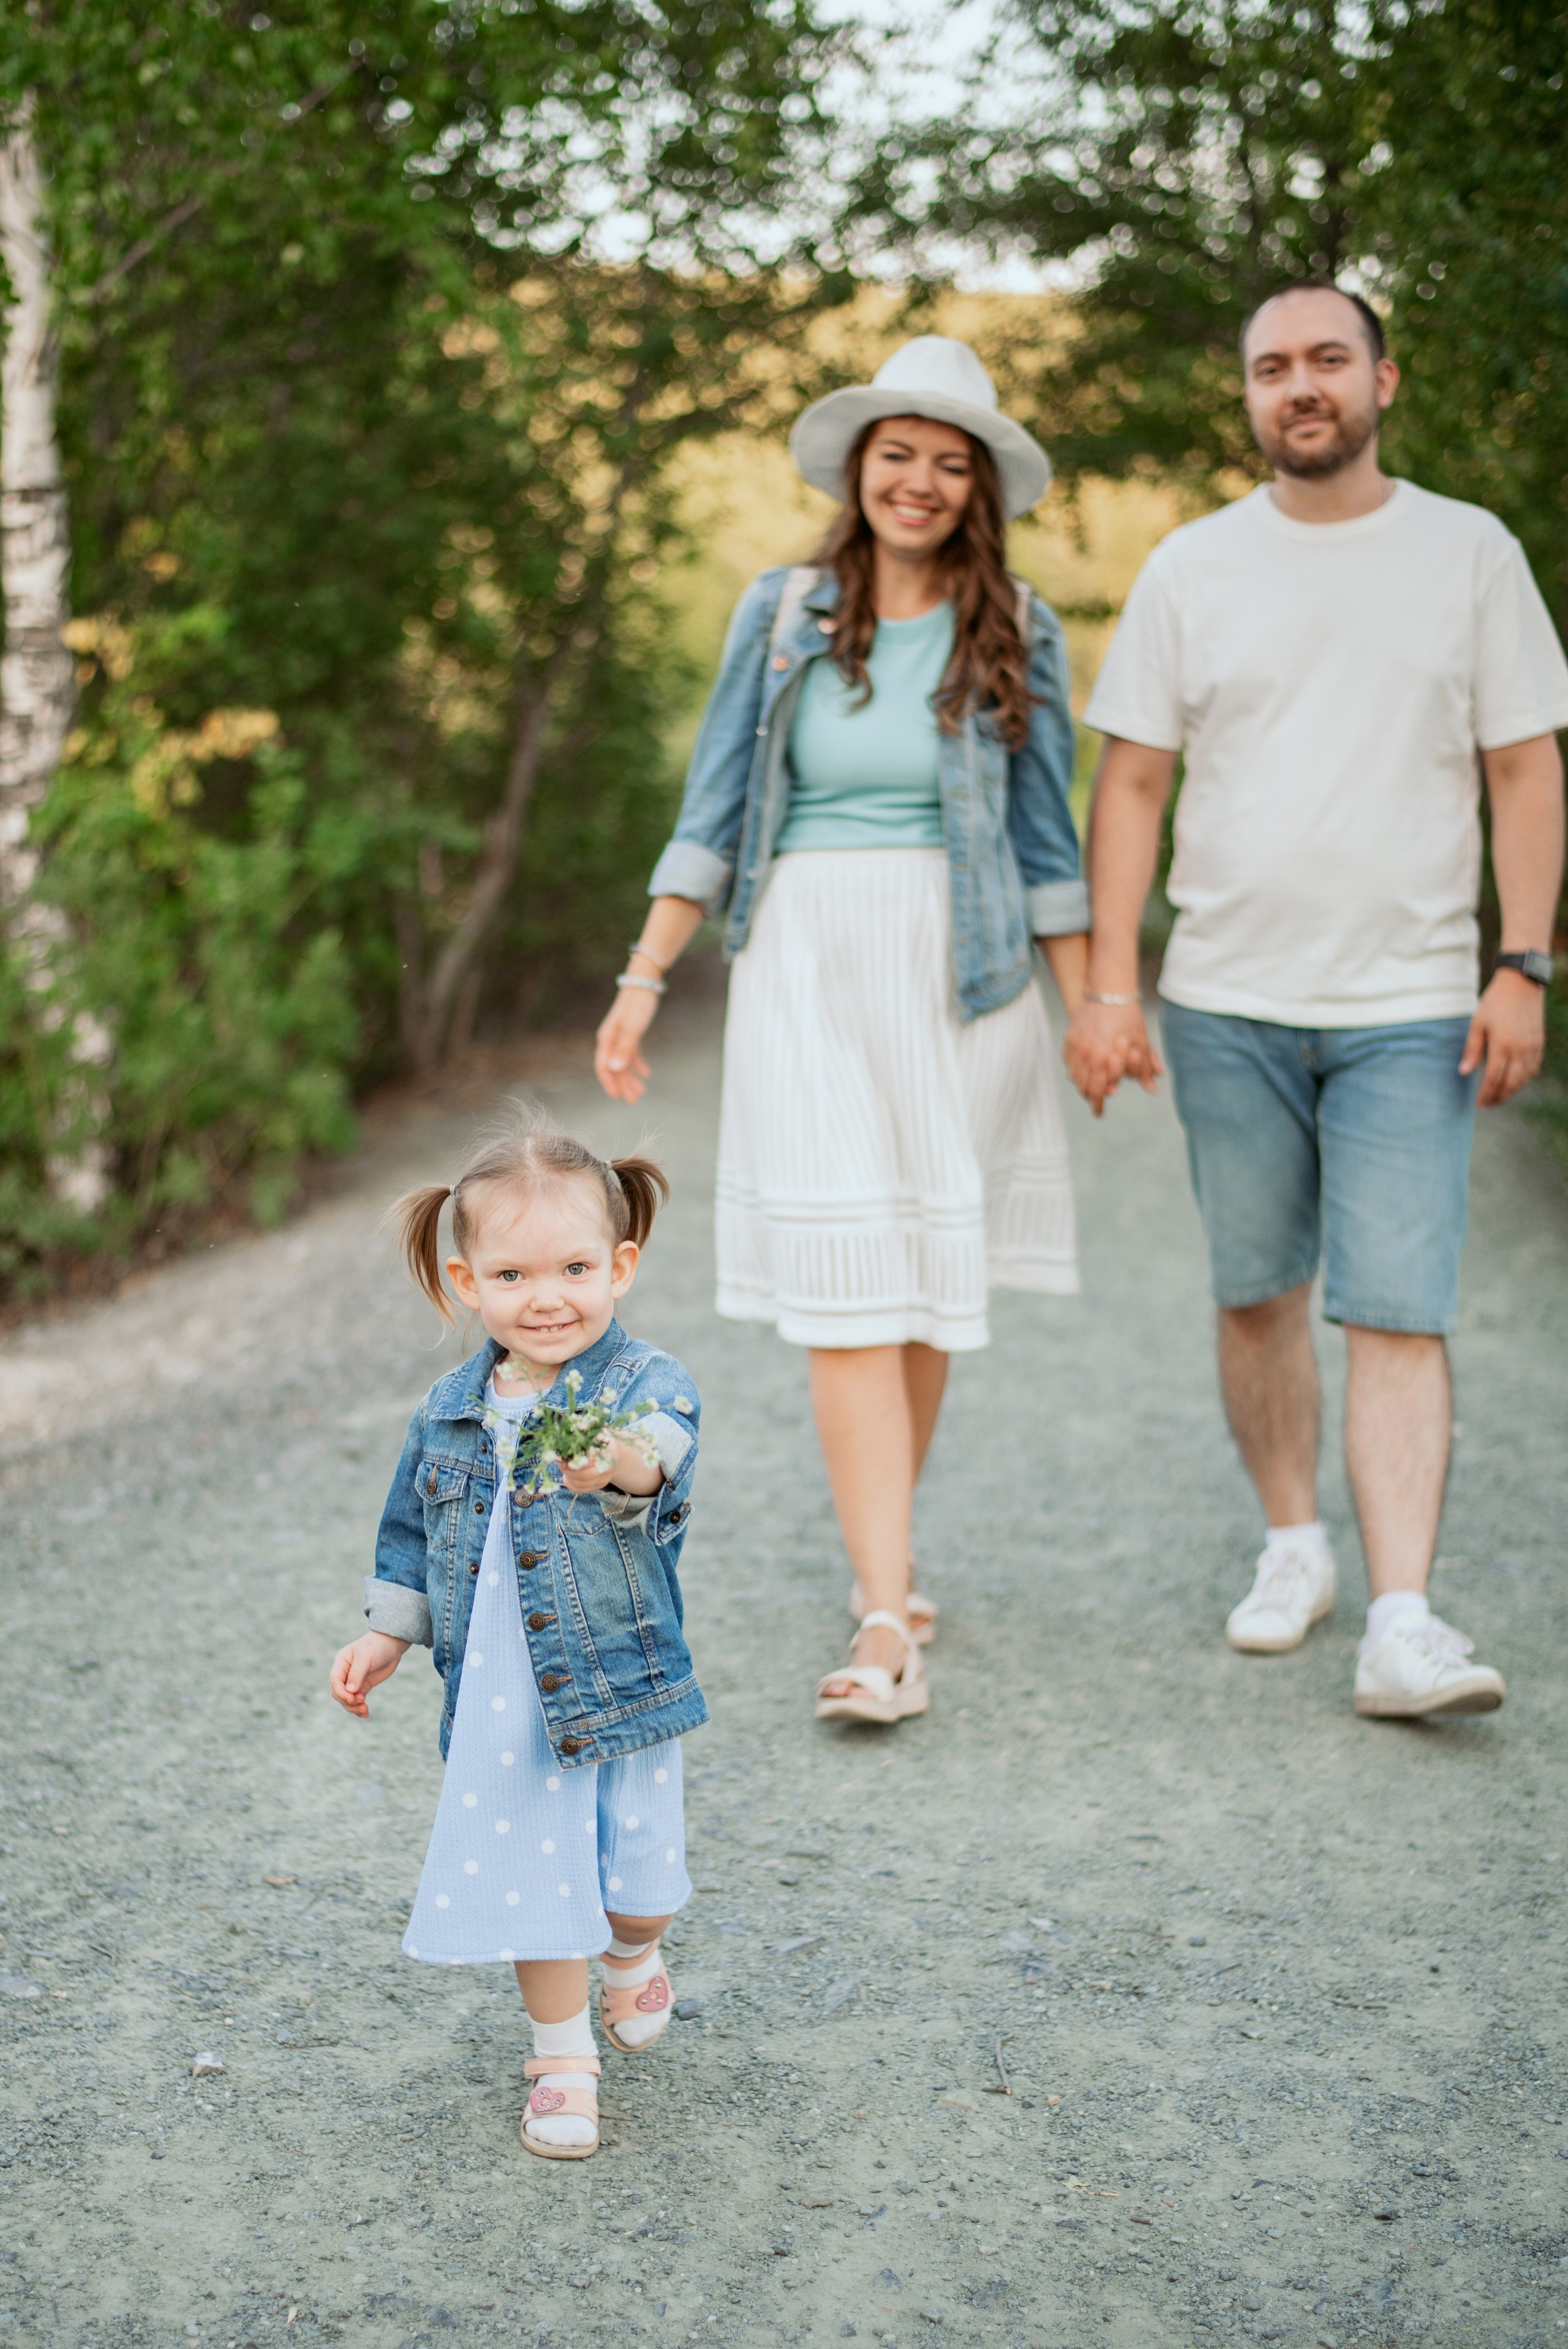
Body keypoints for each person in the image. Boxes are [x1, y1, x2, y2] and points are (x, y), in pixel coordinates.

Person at [1066, 279, 1568, 1719]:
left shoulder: (1468, 553)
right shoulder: (1191, 567)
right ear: (1248, 396)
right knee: (1253, 1293)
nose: (1300, 385)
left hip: (1413, 1002)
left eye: (1326, 361)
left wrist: (1518, 963)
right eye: (1271, 366)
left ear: (1379, 382)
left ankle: (1401, 1619)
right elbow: (1133, 784)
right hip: (1222, 1002)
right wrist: (1110, 986)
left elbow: (1524, 770)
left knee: (1396, 1308)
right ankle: (1294, 1545)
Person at [593, 335, 1089, 1727]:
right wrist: (642, 981)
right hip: (806, 962)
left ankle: (889, 1563)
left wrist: (1096, 1004)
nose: (918, 481)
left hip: (960, 974)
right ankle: (886, 1621)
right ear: (858, 471)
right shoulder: (782, 613)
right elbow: (711, 809)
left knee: (922, 1284)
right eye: (897, 456)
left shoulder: (1019, 630)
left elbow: (1048, 841)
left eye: (947, 462)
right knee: (847, 1292)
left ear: (976, 487)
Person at [328, 1113, 707, 2160]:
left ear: (621, 1266)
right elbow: (408, 1529)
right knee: (536, 1878)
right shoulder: (450, 1409)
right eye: (514, 1274)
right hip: (501, 1693)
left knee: (637, 1881)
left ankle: (635, 1955)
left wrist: (615, 1461)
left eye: (577, 1267)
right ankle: (561, 2059)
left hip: (616, 1678)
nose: (547, 1297)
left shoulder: (644, 1385)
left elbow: (658, 1457)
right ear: (468, 1281)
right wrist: (387, 1635)